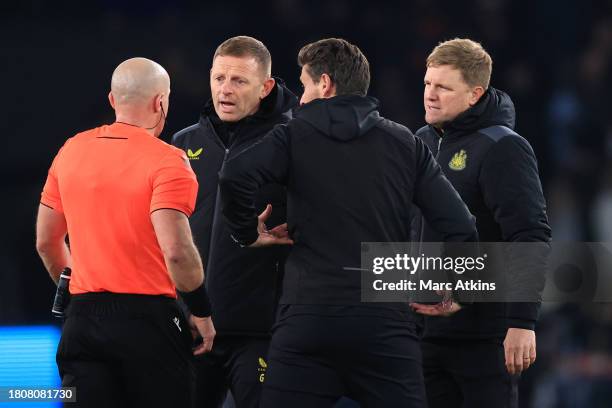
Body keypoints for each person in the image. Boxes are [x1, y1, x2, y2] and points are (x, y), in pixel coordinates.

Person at [218, 37, 478, 408]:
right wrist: (462, 291)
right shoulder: (405, 143)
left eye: (305, 86)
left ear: (325, 85)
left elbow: (233, 176)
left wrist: (247, 233)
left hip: (308, 317)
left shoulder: (292, 135)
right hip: (384, 323)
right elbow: (461, 225)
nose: (301, 99)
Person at [35, 57, 215, 408]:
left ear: (113, 100)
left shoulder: (71, 150)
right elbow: (176, 250)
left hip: (82, 322)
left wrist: (75, 294)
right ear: (160, 102)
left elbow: (46, 241)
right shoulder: (168, 160)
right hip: (149, 324)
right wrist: (200, 311)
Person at [409, 38, 552, 408]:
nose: (430, 94)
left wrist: (522, 322)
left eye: (443, 87)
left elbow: (529, 235)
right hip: (422, 336)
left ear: (474, 94)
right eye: (427, 83)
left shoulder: (503, 147)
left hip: (485, 339)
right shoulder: (420, 142)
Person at [172, 36, 298, 407]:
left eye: (239, 81)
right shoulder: (184, 142)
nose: (225, 90)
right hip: (192, 325)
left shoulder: (291, 144)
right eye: (219, 78)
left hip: (262, 332)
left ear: (266, 87)